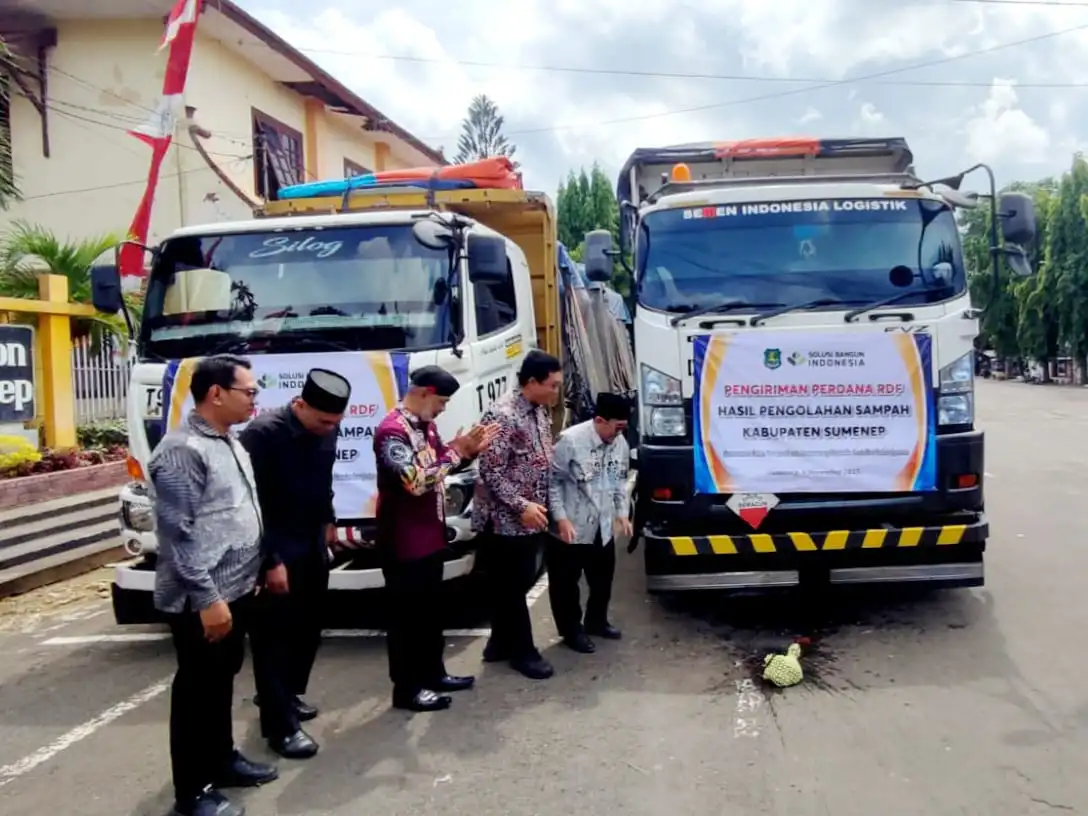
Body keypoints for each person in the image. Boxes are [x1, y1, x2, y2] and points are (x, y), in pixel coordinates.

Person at [149, 354, 275, 816]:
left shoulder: (230, 441)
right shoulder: (183, 451)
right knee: (196, 693)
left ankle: (222, 761)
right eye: (249, 391)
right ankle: (192, 793)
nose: (254, 400)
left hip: (237, 589)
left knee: (221, 682)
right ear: (216, 393)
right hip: (200, 598)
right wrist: (208, 599)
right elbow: (176, 537)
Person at [239, 369, 351, 760]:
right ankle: (279, 727)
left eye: (335, 422)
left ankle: (288, 695)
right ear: (299, 405)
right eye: (323, 421)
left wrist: (329, 520)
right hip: (274, 547)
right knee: (274, 638)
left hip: (310, 542)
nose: (329, 429)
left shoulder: (328, 430)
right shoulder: (262, 435)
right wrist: (269, 560)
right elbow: (250, 505)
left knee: (309, 626)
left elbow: (322, 482)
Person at [374, 365, 499, 712]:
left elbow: (439, 467)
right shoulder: (391, 432)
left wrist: (465, 453)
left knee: (430, 614)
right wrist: (456, 453)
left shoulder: (425, 427)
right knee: (406, 620)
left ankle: (433, 672)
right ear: (424, 392)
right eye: (442, 401)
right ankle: (407, 688)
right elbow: (415, 481)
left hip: (429, 537)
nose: (444, 408)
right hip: (403, 542)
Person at [473, 349, 563, 680]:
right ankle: (523, 653)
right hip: (504, 519)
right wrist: (521, 505)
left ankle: (498, 643)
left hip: (532, 514)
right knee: (512, 586)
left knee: (514, 582)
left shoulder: (538, 410)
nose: (556, 392)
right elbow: (490, 471)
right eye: (552, 385)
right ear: (531, 382)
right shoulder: (502, 416)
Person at [547, 393, 633, 653]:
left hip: (602, 525)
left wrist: (622, 513)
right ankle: (571, 631)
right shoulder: (570, 442)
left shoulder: (620, 444)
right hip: (571, 526)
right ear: (599, 420)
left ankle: (597, 621)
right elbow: (552, 483)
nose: (619, 434)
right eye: (616, 428)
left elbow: (619, 481)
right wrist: (560, 518)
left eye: (623, 429)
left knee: (602, 579)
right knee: (566, 584)